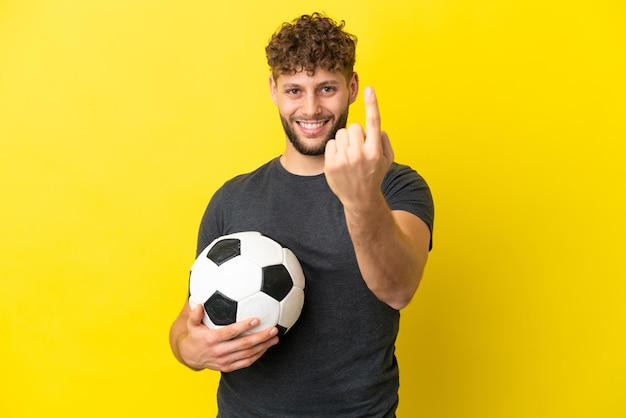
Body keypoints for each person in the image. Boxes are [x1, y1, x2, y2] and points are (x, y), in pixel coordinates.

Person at [169, 12, 434, 417]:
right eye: (295, 90)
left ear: (352, 88)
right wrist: (190, 350)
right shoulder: (231, 199)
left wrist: (361, 198)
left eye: (326, 88)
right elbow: (189, 319)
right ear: (274, 90)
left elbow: (399, 289)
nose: (310, 108)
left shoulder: (396, 186)